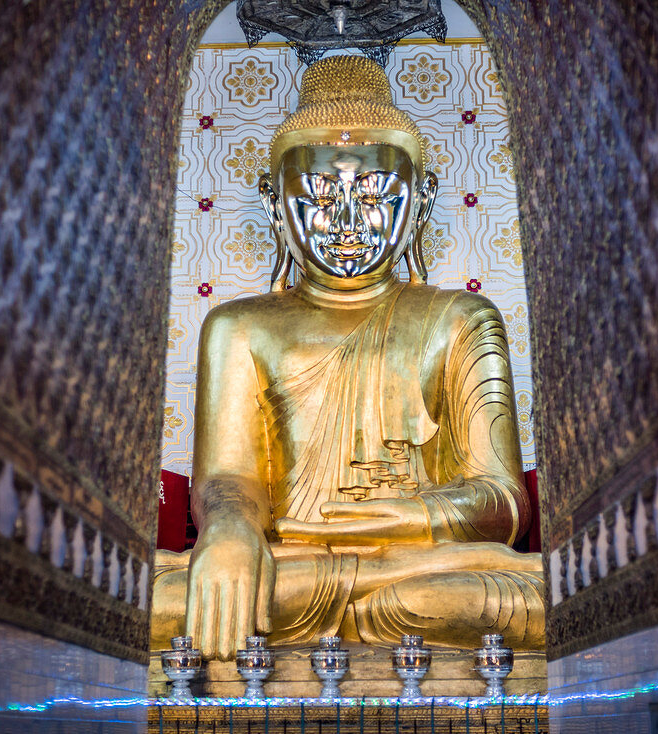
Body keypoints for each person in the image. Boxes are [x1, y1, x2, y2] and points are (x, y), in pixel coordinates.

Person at [151, 55, 544, 661]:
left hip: (426, 569)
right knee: (149, 598)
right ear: (275, 203)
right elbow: (229, 478)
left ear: (421, 199)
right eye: (320, 192)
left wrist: (407, 517)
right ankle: (322, 599)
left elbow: (503, 504)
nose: (347, 218)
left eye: (373, 190)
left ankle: (348, 604)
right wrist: (229, 532)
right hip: (287, 565)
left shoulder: (463, 319)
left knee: (530, 593)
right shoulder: (238, 326)